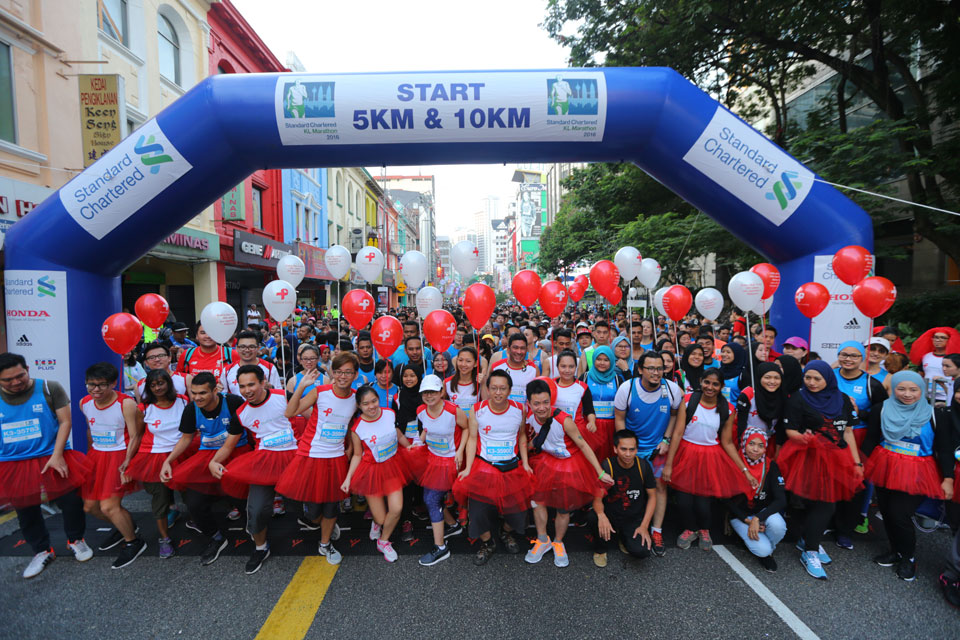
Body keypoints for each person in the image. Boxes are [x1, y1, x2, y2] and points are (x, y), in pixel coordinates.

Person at [0, 353, 93, 578]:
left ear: (28, 369)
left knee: (71, 500)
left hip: (52, 455)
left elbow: (65, 421)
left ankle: (76, 539)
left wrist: (58, 454)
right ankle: (41, 550)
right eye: (7, 380)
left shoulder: (49, 388)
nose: (15, 382)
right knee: (26, 509)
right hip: (13, 463)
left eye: (20, 375)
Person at [777, 361, 863, 580]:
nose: (812, 383)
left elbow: (849, 432)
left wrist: (856, 462)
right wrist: (804, 438)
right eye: (808, 378)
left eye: (817, 378)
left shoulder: (842, 399)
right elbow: (789, 430)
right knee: (820, 504)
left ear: (828, 378)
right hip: (807, 457)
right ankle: (811, 550)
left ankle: (808, 542)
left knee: (826, 504)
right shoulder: (798, 398)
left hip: (837, 458)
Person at [862, 371, 950, 581]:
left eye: (913, 389)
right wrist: (860, 466)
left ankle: (909, 558)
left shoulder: (935, 415)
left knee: (899, 514)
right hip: (885, 465)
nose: (907, 394)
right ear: (893, 389)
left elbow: (945, 449)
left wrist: (948, 478)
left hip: (918, 470)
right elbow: (871, 439)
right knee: (887, 511)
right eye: (901, 388)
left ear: (922, 390)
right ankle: (896, 551)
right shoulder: (881, 409)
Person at [210, 365, 298, 574]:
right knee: (256, 509)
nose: (247, 390)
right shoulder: (241, 414)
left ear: (263, 382)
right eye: (242, 386)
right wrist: (213, 461)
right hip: (265, 462)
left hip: (294, 456)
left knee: (311, 505)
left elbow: (313, 417)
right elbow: (228, 446)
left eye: (251, 384)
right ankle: (260, 547)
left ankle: (322, 524)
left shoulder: (284, 396)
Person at [160, 373, 251, 567]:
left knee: (242, 500)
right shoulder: (192, 409)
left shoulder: (233, 401)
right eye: (193, 393)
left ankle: (256, 535)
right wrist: (168, 461)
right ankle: (216, 537)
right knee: (195, 504)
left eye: (202, 393)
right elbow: (186, 438)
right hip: (206, 456)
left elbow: (251, 425)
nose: (197, 397)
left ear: (215, 390)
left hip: (237, 453)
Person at [278, 354, 358, 565]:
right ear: (333, 373)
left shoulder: (356, 397)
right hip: (311, 456)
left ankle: (325, 544)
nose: (343, 376)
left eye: (348, 372)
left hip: (336, 458)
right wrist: (302, 386)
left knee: (332, 506)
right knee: (313, 512)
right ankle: (323, 524)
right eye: (339, 371)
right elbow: (290, 412)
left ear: (355, 375)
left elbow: (350, 424)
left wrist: (350, 447)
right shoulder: (320, 392)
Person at [524, 379, 612, 567]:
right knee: (537, 501)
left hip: (568, 464)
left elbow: (583, 445)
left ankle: (558, 541)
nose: (542, 408)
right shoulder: (527, 417)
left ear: (551, 400)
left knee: (564, 507)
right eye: (537, 403)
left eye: (546, 402)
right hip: (544, 462)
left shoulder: (564, 420)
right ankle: (542, 539)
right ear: (529, 403)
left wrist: (599, 472)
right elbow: (529, 440)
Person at [453, 370, 534, 566]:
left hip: (512, 466)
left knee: (518, 512)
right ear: (487, 389)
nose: (498, 393)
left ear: (509, 390)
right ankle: (488, 543)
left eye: (503, 388)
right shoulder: (477, 409)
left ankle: (505, 532)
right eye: (494, 388)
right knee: (478, 511)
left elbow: (522, 435)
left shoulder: (518, 409)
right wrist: (469, 467)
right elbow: (472, 438)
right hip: (485, 466)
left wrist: (525, 462)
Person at [663, 369, 745, 550]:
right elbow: (677, 433)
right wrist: (668, 464)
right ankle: (690, 528)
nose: (710, 387)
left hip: (710, 457)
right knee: (683, 501)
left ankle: (704, 529)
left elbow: (728, 442)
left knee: (703, 503)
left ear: (721, 386)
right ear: (701, 381)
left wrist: (744, 469)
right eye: (707, 382)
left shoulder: (728, 409)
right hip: (686, 453)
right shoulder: (689, 401)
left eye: (715, 384)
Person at [613, 351, 682, 556]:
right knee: (630, 489)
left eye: (660, 368)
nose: (656, 372)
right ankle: (628, 529)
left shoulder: (672, 389)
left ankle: (657, 530)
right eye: (650, 368)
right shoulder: (627, 388)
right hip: (632, 450)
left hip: (657, 450)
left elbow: (675, 415)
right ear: (640, 369)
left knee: (660, 488)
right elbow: (619, 419)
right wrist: (624, 448)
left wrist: (666, 439)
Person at [78, 362, 146, 568]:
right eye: (91, 384)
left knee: (109, 506)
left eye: (101, 385)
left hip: (118, 457)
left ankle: (133, 542)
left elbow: (135, 435)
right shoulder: (84, 402)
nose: (95, 389)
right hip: (96, 457)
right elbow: (91, 431)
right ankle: (125, 526)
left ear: (113, 384)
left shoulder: (126, 403)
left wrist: (128, 463)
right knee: (90, 507)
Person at [341, 386, 414, 563]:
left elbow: (396, 432)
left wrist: (408, 445)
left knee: (396, 509)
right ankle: (377, 522)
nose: (371, 406)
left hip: (393, 466)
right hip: (371, 471)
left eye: (374, 401)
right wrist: (348, 477)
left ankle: (384, 541)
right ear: (359, 406)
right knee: (381, 518)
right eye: (366, 404)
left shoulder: (389, 413)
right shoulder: (357, 428)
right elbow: (358, 454)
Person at [126, 369, 189, 559]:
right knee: (159, 500)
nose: (158, 388)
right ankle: (164, 538)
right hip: (152, 456)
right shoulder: (144, 408)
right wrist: (128, 460)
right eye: (153, 385)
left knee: (191, 494)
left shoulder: (184, 401)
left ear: (169, 383)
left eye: (161, 383)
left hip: (182, 452)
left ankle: (198, 523)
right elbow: (136, 435)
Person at [833, 340, 887, 547]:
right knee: (831, 481)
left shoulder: (871, 384)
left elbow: (880, 413)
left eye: (854, 356)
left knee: (856, 483)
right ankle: (831, 521)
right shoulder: (830, 377)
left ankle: (846, 529)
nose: (848, 359)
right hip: (831, 436)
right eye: (844, 354)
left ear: (861, 359)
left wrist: (858, 412)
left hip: (859, 437)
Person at [412, 375, 469, 566]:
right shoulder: (421, 410)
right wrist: (419, 441)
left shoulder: (453, 411)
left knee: (431, 499)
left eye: (433, 392)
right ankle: (453, 525)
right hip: (432, 459)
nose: (429, 396)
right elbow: (427, 428)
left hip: (451, 460)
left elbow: (468, 429)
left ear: (442, 392)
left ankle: (441, 548)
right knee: (431, 498)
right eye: (425, 392)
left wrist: (460, 452)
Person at [723, 428, 787, 572]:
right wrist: (748, 520)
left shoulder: (771, 466)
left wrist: (758, 519)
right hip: (741, 515)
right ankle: (763, 549)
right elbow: (725, 499)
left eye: (761, 445)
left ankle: (767, 550)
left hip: (762, 513)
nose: (756, 449)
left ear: (765, 448)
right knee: (762, 550)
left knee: (778, 526)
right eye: (751, 444)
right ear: (744, 443)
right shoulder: (734, 463)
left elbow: (781, 500)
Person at [589, 430, 656, 567]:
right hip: (611, 515)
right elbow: (597, 498)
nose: (628, 454)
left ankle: (623, 537)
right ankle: (600, 549)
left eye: (632, 449)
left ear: (637, 449)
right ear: (615, 449)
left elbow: (653, 497)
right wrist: (601, 515)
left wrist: (644, 526)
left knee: (641, 552)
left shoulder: (643, 466)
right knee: (593, 517)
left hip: (633, 517)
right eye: (623, 449)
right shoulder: (607, 465)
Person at [724, 362, 784, 465]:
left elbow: (780, 426)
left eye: (776, 378)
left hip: (769, 442)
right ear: (759, 377)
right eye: (767, 377)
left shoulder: (782, 395)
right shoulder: (748, 394)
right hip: (746, 440)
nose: (772, 382)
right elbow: (741, 423)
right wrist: (742, 446)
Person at [393, 364, 425, 542]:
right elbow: (395, 426)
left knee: (421, 481)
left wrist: (420, 442)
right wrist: (408, 446)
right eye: (405, 376)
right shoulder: (397, 397)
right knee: (405, 485)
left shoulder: (426, 396)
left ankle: (419, 507)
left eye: (413, 375)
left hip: (423, 442)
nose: (409, 379)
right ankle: (406, 520)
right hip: (404, 445)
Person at [581, 346, 619, 461]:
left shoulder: (617, 379)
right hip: (590, 425)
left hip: (611, 426)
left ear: (611, 361)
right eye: (599, 359)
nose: (602, 363)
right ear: (593, 360)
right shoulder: (585, 377)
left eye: (606, 360)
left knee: (610, 457)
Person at [488, 333, 539, 411]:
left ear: (526, 350)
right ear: (508, 349)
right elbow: (489, 393)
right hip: (501, 416)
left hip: (525, 419)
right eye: (515, 348)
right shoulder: (496, 367)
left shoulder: (534, 369)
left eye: (522, 348)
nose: (519, 352)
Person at [910, 327, 960, 403]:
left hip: (946, 396)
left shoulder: (953, 358)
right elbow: (921, 374)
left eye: (942, 337)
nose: (938, 340)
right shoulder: (925, 356)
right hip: (926, 396)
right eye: (935, 337)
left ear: (949, 340)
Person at [225, 330, 282, 395]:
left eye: (251, 347)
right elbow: (224, 395)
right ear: (237, 348)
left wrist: (270, 388)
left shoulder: (270, 368)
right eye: (243, 347)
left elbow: (279, 394)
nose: (247, 350)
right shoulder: (227, 370)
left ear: (258, 348)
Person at [445, 346, 481, 415]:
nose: (463, 364)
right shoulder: (447, 382)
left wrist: (483, 382)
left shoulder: (480, 382)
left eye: (468, 361)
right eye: (460, 360)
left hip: (475, 424)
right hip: (455, 424)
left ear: (475, 363)